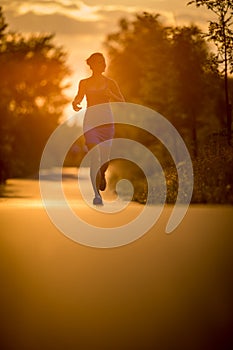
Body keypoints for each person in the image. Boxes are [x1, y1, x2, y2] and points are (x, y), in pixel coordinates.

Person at [72, 52, 124, 205]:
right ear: (91, 64)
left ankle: (102, 173)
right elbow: (78, 97)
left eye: (102, 62)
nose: (101, 64)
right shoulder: (84, 83)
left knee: (105, 159)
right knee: (94, 156)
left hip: (107, 123)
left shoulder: (110, 82)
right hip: (90, 123)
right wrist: (75, 103)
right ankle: (96, 195)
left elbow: (122, 102)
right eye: (97, 62)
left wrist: (112, 95)